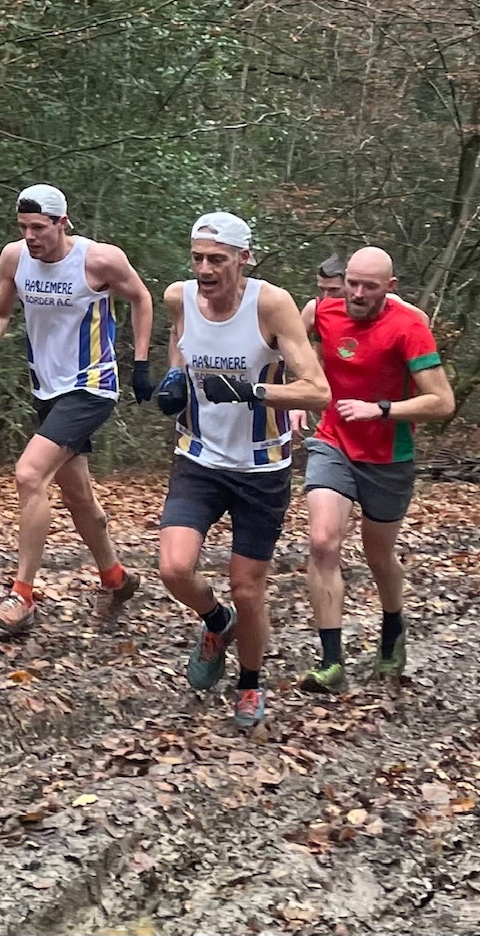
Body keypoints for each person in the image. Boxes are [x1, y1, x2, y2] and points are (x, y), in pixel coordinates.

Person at [155, 211, 331, 729]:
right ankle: (216, 622)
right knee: (173, 568)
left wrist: (251, 391)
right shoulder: (178, 297)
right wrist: (173, 376)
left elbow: (317, 390)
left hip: (261, 468)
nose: (205, 270)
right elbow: (181, 340)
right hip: (199, 459)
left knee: (248, 587)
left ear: (243, 259)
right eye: (197, 259)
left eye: (217, 260)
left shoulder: (269, 305)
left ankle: (250, 683)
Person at [0, 184, 154, 636]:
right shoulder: (14, 258)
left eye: (39, 227)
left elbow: (141, 299)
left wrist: (143, 364)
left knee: (30, 474)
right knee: (77, 495)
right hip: (45, 386)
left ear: (62, 223)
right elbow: (1, 305)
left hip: (90, 386)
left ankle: (22, 597)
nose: (31, 236)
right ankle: (115, 577)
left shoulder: (98, 260)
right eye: (23, 227)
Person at [290, 246, 455, 692]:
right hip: (333, 444)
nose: (358, 294)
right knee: (323, 542)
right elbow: (283, 344)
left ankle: (392, 630)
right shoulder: (323, 312)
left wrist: (381, 409)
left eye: (370, 287)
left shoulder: (409, 328)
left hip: (388, 457)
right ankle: (331, 662)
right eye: (352, 284)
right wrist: (296, 397)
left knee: (378, 555)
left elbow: (442, 401)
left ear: (391, 288)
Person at [297, 254, 430, 431]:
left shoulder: (390, 305)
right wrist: (300, 400)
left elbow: (422, 323)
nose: (327, 296)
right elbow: (299, 351)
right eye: (322, 289)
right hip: (334, 405)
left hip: (381, 408)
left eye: (334, 290)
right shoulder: (316, 308)